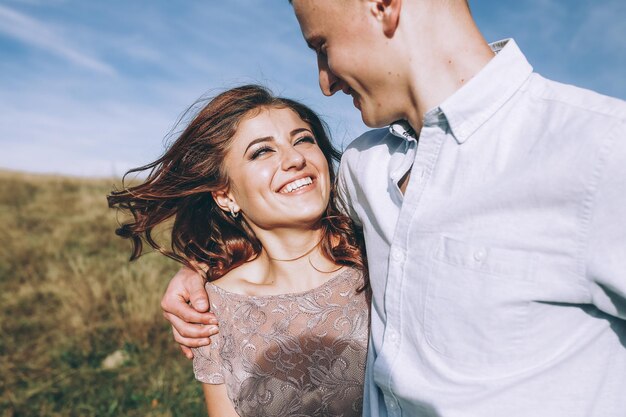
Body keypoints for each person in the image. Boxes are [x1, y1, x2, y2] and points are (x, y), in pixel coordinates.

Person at [161, 1, 626, 416]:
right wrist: (197, 268)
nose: (324, 82)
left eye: (322, 44)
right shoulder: (366, 166)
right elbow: (282, 217)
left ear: (383, 6)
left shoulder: (600, 152)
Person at [108, 85, 370, 416]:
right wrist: (199, 268)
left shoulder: (375, 253)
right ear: (225, 195)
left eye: (303, 139)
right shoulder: (215, 309)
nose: (295, 158)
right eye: (262, 151)